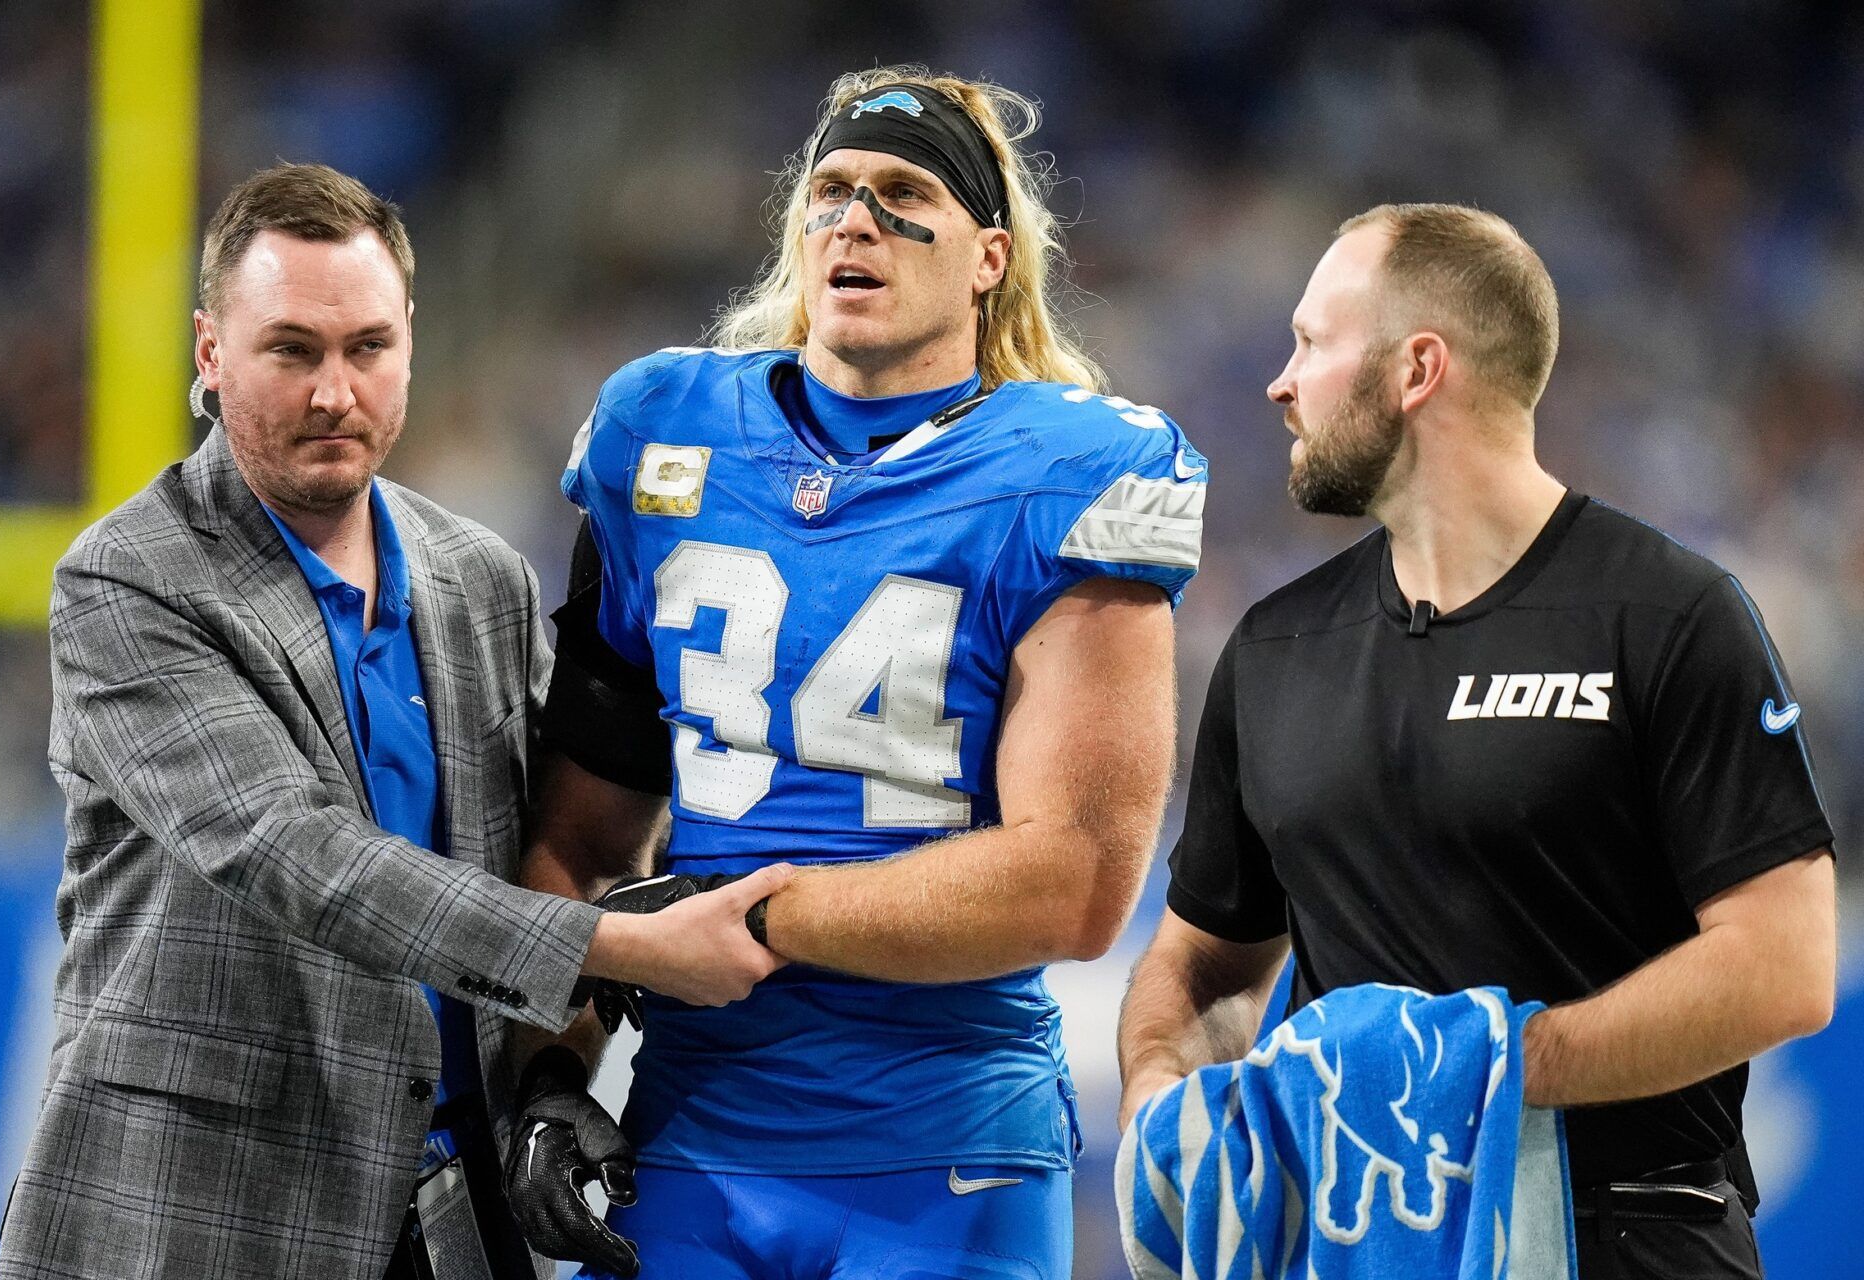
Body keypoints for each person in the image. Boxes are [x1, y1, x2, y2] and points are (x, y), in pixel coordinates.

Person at [0, 162, 787, 1280]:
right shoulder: (128, 581)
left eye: (366, 346)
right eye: (292, 349)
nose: (334, 391)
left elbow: (555, 848)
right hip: (192, 1216)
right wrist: (615, 946)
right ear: (210, 352)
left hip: (449, 1217)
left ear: (409, 339)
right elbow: (296, 854)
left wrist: (557, 1080)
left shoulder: (482, 579)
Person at [519, 66, 1208, 1280]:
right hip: (687, 1137)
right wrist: (550, 1065)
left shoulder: (1070, 467)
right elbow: (584, 833)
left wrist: (748, 916)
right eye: (832, 190)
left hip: (943, 1154)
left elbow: (1080, 879)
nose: (857, 220)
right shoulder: (664, 434)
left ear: (987, 258)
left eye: (903, 195)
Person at [1115, 203, 1836, 1279]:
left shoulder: (1669, 614)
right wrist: (1160, 1098)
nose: (1280, 381)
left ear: (1417, 370)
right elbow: (1204, 961)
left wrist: (1488, 1077)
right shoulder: (1275, 646)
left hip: (1634, 1233)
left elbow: (1786, 966)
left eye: (1312, 343)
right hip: (1355, 1244)